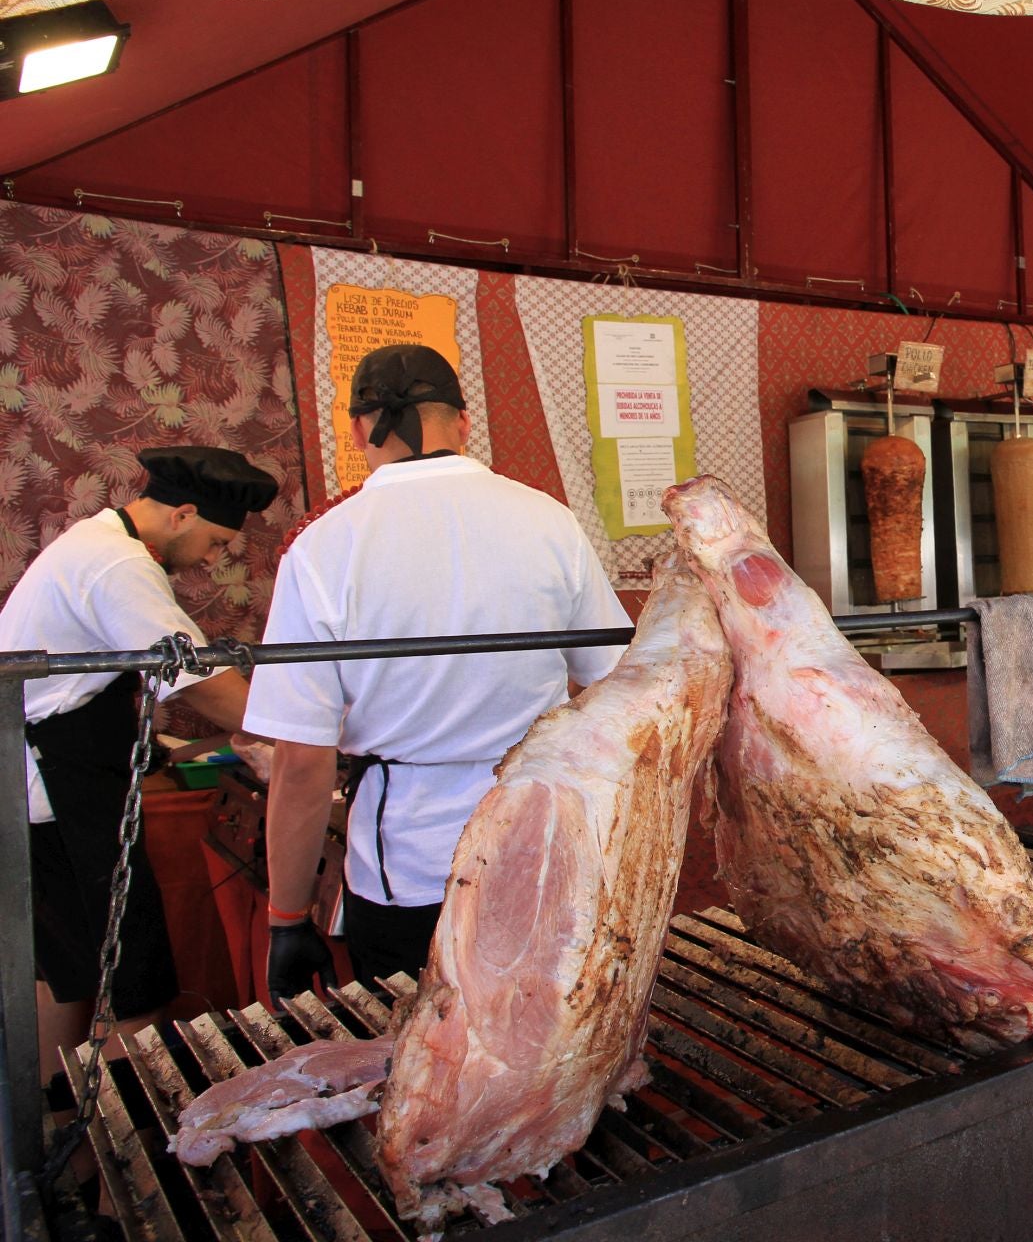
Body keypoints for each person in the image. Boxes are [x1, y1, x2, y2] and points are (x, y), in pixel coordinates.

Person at [245, 344, 627, 1002]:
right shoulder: (548, 522)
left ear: (361, 430)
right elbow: (618, 686)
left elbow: (302, 761)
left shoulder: (323, 548)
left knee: (427, 1067)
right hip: (540, 853)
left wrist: (286, 918)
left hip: (409, 874)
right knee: (547, 1048)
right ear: (464, 422)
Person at [0, 446, 278, 1077]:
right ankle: (124, 1143)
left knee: (68, 974)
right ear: (182, 514)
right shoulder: (117, 565)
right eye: (214, 542)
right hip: (58, 797)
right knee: (132, 980)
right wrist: (299, 735)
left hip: (41, 788)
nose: (212, 560)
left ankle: (60, 1131)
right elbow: (198, 684)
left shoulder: (94, 542)